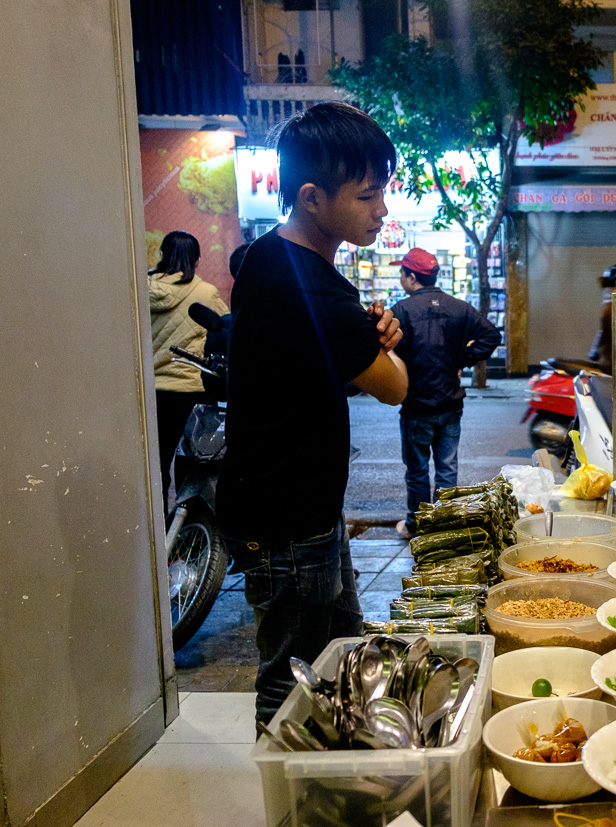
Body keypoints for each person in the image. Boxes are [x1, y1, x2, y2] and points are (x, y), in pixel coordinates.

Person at [216, 101, 409, 726]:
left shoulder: (271, 259)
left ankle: (331, 794)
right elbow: (395, 387)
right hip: (288, 521)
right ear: (311, 197)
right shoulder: (313, 290)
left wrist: (366, 338)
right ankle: (291, 810)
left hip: (302, 511)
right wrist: (381, 344)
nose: (382, 209)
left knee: (339, 659)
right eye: (369, 194)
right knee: (292, 681)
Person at [391, 248, 501, 540]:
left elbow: (389, 352)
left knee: (417, 471)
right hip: (451, 403)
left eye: (402, 273)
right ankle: (446, 526)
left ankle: (417, 527)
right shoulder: (459, 307)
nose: (401, 278)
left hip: (416, 406)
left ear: (412, 277)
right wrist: (460, 359)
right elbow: (492, 335)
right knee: (447, 469)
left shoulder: (402, 310)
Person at [147, 230, 228, 512]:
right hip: (194, 392)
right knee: (194, 465)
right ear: (197, 259)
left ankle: (157, 530)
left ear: (162, 255)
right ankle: (187, 532)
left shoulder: (141, 289)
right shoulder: (205, 292)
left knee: (155, 464)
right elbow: (223, 329)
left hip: (153, 394)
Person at [587, 265, 616, 372]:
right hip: (613, 361)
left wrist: (594, 352)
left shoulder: (612, 305)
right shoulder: (613, 307)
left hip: (609, 358)